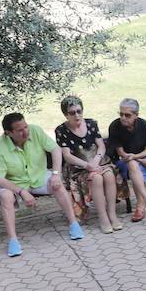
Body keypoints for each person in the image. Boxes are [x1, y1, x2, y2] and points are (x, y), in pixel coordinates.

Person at [0, 112, 82, 256]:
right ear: (8, 133)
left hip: (38, 176)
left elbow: (55, 149)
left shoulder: (35, 131)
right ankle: (13, 240)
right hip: (14, 182)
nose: (25, 131)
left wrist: (56, 174)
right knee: (6, 197)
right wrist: (22, 191)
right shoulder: (0, 146)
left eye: (25, 126)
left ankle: (73, 223)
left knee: (57, 184)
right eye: (20, 130)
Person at [55, 96, 123, 234]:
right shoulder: (61, 130)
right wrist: (88, 166)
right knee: (96, 178)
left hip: (98, 162)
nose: (77, 115)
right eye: (72, 113)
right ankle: (103, 217)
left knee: (109, 175)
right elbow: (67, 155)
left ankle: (112, 214)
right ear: (65, 114)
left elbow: (101, 146)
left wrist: (95, 162)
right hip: (79, 168)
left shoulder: (91, 124)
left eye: (79, 111)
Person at [107, 99, 146, 224]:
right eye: (121, 114)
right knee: (132, 164)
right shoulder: (115, 126)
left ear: (136, 115)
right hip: (123, 162)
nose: (123, 118)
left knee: (134, 166)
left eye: (128, 115)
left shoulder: (144, 125)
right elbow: (121, 153)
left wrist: (137, 158)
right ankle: (145, 201)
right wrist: (138, 159)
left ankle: (141, 207)